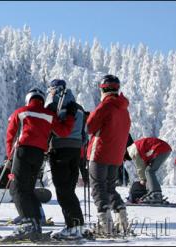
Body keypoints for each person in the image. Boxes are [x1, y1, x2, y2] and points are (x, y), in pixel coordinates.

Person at [4, 87, 76, 241]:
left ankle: (27, 224)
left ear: (29, 99)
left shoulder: (21, 112)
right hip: (39, 155)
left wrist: (10, 157)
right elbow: (64, 132)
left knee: (17, 188)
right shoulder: (49, 115)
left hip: (23, 151)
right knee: (28, 189)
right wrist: (70, 115)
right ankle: (35, 224)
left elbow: (11, 135)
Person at [86, 75, 131, 235]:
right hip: (116, 156)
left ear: (103, 89)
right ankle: (122, 222)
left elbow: (90, 127)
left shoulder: (105, 106)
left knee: (98, 188)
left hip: (99, 153)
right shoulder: (124, 109)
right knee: (110, 188)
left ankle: (105, 225)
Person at [45, 79, 86, 239]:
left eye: (51, 89)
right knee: (69, 189)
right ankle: (77, 224)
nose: (50, 92)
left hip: (60, 148)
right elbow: (84, 132)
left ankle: (73, 227)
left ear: (55, 89)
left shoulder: (54, 105)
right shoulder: (78, 107)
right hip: (76, 150)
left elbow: (51, 126)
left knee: (63, 190)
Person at [125, 137, 172, 203]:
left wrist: (142, 180)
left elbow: (140, 166)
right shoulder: (135, 146)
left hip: (161, 149)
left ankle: (155, 194)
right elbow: (145, 164)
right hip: (164, 148)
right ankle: (153, 193)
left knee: (149, 171)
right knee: (149, 170)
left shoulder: (132, 150)